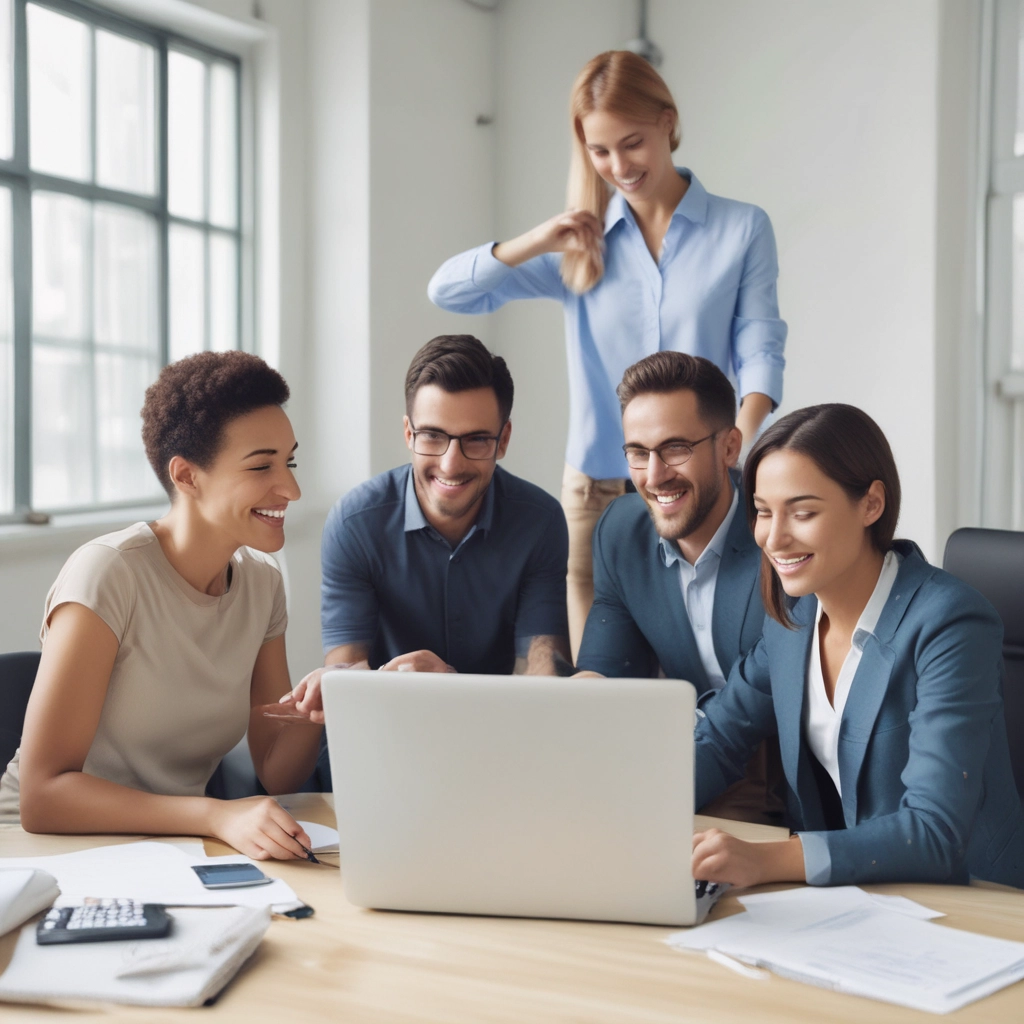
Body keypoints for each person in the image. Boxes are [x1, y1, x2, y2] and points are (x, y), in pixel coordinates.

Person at [428, 50, 787, 654]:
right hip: (595, 485)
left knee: (697, 657)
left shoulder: (742, 230)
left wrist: (737, 449)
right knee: (596, 671)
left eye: (632, 143)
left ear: (667, 123)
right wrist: (539, 239)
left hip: (700, 479)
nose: (619, 166)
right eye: (600, 151)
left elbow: (761, 350)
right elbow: (448, 290)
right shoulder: (579, 249)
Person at [0, 352, 323, 860]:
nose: (291, 488)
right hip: (40, 850)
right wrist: (215, 814)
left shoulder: (262, 586)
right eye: (262, 465)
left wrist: (317, 705)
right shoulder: (110, 572)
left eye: (290, 462)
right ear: (188, 477)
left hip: (168, 850)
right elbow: (42, 797)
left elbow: (274, 768)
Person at [690, 404, 1024, 889]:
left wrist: (764, 860)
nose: (774, 537)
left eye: (802, 513)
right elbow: (719, 739)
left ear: (871, 504)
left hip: (975, 901)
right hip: (860, 898)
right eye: (763, 512)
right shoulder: (793, 620)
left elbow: (934, 830)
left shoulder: (950, 622)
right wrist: (626, 810)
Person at [300, 335, 568, 714]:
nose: (450, 464)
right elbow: (346, 677)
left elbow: (544, 690)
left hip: (500, 732)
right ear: (409, 434)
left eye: (475, 440)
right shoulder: (354, 523)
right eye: (432, 436)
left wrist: (449, 681)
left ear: (503, 440)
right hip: (386, 725)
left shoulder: (540, 522)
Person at [575, 351, 783, 823]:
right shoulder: (620, 531)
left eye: (675, 449)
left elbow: (744, 721)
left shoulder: (778, 538)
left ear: (730, 447)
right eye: (637, 452)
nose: (653, 476)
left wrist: (638, 804)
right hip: (677, 763)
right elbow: (607, 677)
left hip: (778, 780)